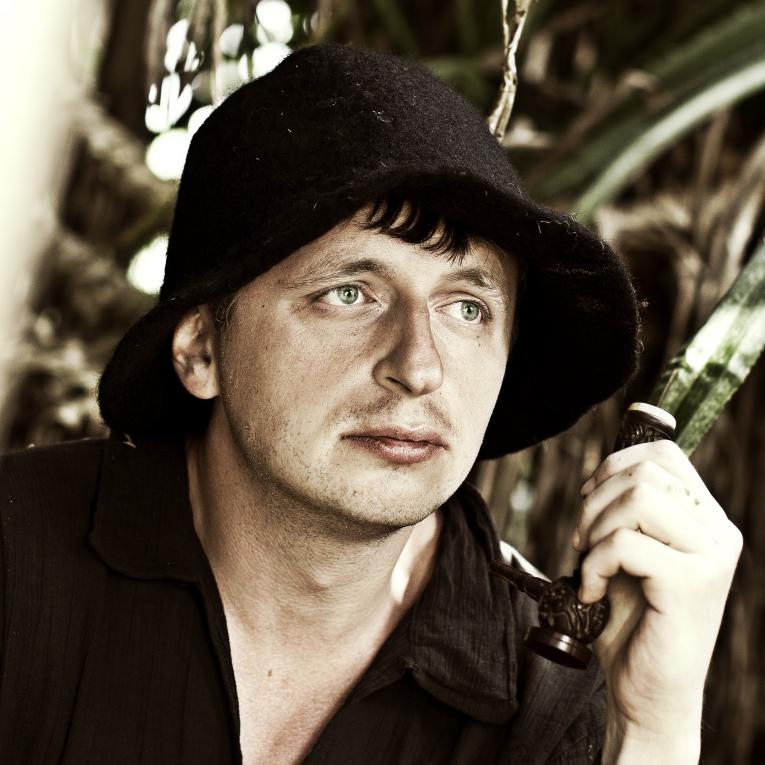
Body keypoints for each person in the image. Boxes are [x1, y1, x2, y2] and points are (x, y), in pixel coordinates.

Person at [0, 44, 741, 765]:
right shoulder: (19, 560)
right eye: (348, 294)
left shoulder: (555, 692)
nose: (418, 367)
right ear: (201, 350)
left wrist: (652, 732)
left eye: (466, 308)